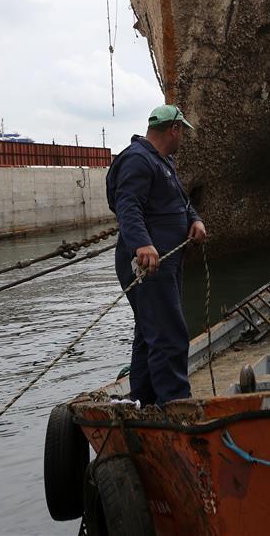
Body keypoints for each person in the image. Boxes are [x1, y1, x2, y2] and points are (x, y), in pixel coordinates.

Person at [106, 104, 206, 407]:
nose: (183, 138)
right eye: (182, 132)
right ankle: (176, 404)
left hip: (165, 260)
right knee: (168, 333)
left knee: (149, 331)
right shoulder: (138, 160)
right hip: (147, 262)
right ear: (173, 129)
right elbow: (128, 205)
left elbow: (180, 202)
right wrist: (142, 244)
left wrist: (195, 219)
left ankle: (145, 400)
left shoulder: (163, 161)